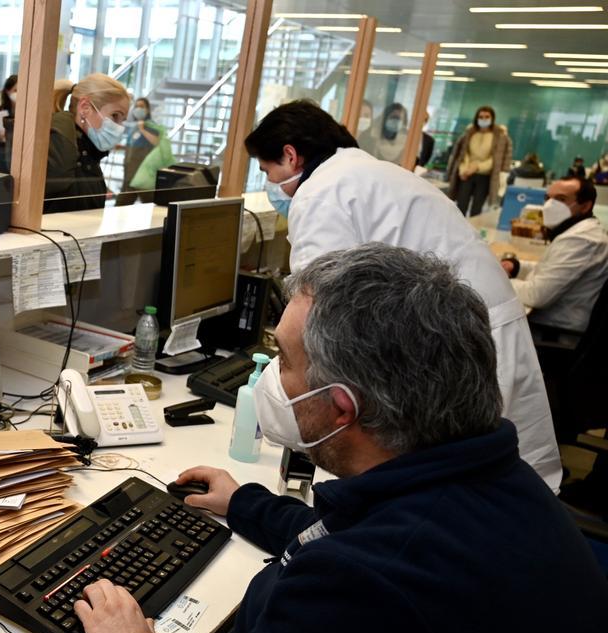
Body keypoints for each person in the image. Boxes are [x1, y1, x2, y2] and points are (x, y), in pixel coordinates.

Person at [76, 244, 608, 633]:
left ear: (339, 409)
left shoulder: (357, 590)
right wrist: (246, 503)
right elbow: (364, 529)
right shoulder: (486, 479)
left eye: (282, 360)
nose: (266, 378)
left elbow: (362, 561)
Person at [242, 99, 561, 491]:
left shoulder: (321, 192)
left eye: (267, 169)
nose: (271, 183)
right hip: (479, 331)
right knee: (502, 491)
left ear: (290, 156)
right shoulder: (373, 173)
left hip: (455, 346)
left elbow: (315, 314)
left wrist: (276, 389)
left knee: (455, 493)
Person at [503, 177, 608, 336]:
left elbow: (537, 295)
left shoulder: (581, 240)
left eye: (561, 199)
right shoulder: (578, 231)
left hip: (554, 332)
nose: (550, 205)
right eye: (548, 198)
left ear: (585, 206)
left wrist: (498, 280)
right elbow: (548, 269)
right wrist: (516, 266)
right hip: (549, 323)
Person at [39, 74, 130, 214]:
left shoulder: (88, 152)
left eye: (122, 120)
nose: (119, 127)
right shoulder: (61, 149)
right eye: (115, 116)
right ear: (85, 108)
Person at [447, 105, 513, 217]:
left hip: (485, 176)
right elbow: (463, 154)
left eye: (487, 117)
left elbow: (496, 159)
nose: (483, 119)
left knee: (476, 209)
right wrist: (464, 170)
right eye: (481, 116)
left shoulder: (499, 136)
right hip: (466, 174)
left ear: (492, 118)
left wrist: (477, 167)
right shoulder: (469, 133)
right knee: (460, 206)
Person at [116, 98, 166, 206]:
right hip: (130, 171)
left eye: (142, 106)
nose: (138, 109)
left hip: (142, 173)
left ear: (147, 109)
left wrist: (143, 129)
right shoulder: (134, 126)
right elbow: (134, 146)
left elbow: (156, 142)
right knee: (123, 202)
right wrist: (122, 147)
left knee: (149, 201)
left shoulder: (150, 125)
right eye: (136, 106)